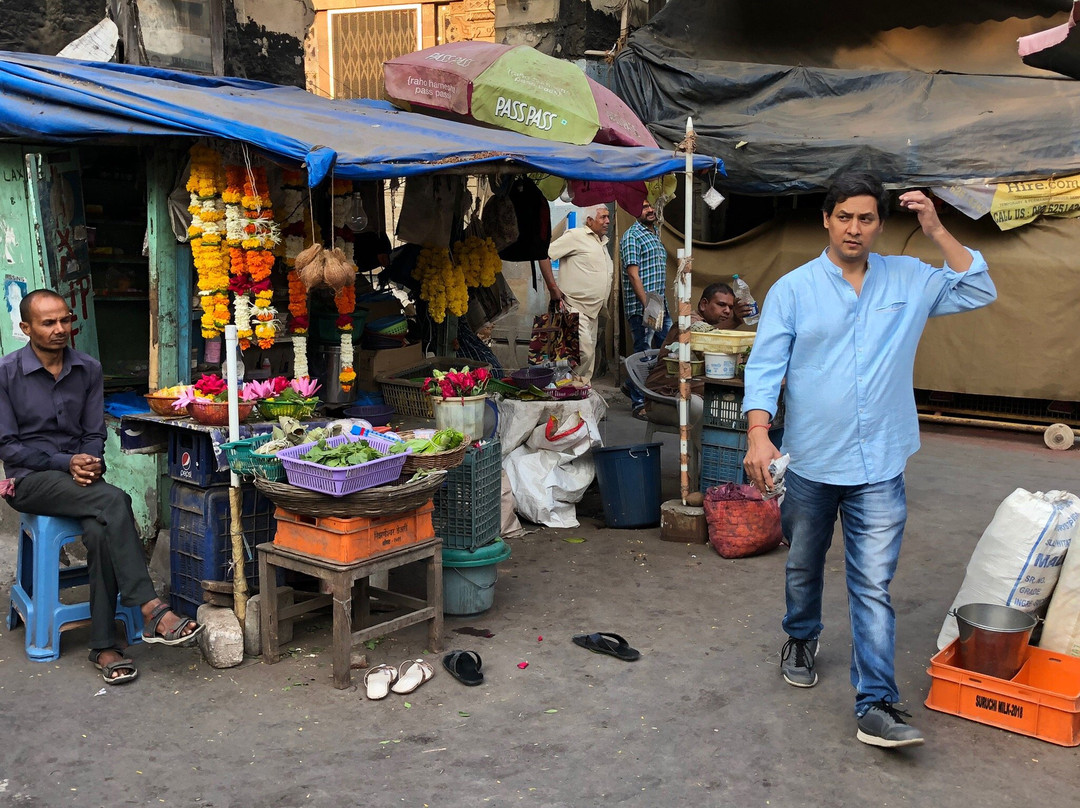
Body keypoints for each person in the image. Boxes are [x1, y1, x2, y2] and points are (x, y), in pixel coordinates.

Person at [741, 172, 997, 748]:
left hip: (880, 462)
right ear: (826, 220)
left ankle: (876, 702)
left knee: (873, 584)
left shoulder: (910, 278)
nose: (854, 228)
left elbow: (979, 288)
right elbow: (764, 367)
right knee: (804, 564)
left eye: (867, 218)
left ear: (881, 224)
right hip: (808, 461)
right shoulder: (794, 289)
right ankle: (801, 635)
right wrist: (760, 434)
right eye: (845, 217)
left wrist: (934, 227)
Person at [0, 290, 203, 685]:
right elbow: (8, 446)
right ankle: (150, 608)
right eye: (48, 323)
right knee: (116, 499)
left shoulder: (88, 368)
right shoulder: (6, 374)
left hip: (83, 482)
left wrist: (88, 462)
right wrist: (66, 462)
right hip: (29, 480)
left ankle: (104, 646)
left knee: (99, 528)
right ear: (26, 328)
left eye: (64, 320)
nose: (60, 329)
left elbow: (94, 434)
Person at [538, 205, 612, 382]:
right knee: (583, 352)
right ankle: (569, 387)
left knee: (588, 357)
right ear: (589, 220)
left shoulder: (602, 243)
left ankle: (578, 391)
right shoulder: (575, 236)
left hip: (593, 311)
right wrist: (552, 288)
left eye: (608, 217)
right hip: (573, 307)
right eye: (602, 217)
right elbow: (543, 255)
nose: (607, 221)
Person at [620, 201, 671, 419]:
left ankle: (630, 384)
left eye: (650, 206)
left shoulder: (653, 233)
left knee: (667, 349)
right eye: (643, 207)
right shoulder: (632, 236)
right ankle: (638, 403)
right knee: (644, 353)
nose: (649, 210)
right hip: (645, 308)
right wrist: (647, 307)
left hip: (660, 305)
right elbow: (633, 274)